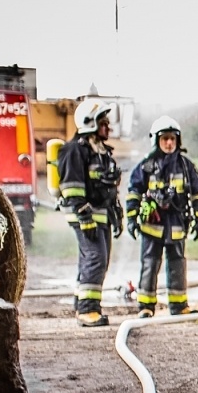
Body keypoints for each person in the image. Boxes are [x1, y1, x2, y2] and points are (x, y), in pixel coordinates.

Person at [125, 116, 198, 317]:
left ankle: (179, 306)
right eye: (165, 139)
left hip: (177, 225)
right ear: (156, 140)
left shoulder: (186, 166)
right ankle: (145, 307)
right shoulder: (146, 166)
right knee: (150, 265)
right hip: (152, 225)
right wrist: (132, 219)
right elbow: (133, 193)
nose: (169, 143)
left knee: (177, 265)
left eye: (172, 139)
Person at [58, 99, 122, 327]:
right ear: (89, 122)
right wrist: (84, 215)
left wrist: (116, 213)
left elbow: (107, 188)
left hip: (101, 215)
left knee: (97, 259)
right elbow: (71, 187)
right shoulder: (75, 150)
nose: (108, 127)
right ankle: (88, 310)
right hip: (84, 215)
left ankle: (81, 303)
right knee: (96, 258)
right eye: (103, 123)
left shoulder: (101, 152)